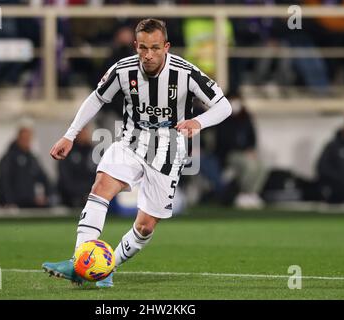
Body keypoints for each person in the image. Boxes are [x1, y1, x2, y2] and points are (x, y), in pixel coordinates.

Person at [42, 18, 232, 288]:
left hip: (169, 151)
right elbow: (97, 97)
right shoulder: (122, 69)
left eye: (155, 48)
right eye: (143, 48)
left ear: (166, 46)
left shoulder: (186, 73)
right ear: (135, 46)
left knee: (145, 227)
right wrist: (70, 135)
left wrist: (198, 122)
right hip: (132, 141)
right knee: (101, 186)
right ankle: (78, 263)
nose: (149, 55)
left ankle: (107, 268)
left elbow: (224, 106)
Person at [214, 92, 267, 208]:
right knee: (249, 166)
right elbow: (223, 141)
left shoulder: (246, 116)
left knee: (262, 166)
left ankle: (252, 193)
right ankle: (243, 193)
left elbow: (252, 137)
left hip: (245, 152)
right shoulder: (223, 118)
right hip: (230, 154)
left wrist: (251, 149)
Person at [0, 126, 51, 208]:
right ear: (18, 138)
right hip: (13, 205)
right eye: (24, 138)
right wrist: (8, 202)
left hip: (30, 203)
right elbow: (4, 183)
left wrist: (48, 196)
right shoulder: (8, 158)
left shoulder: (32, 159)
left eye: (28, 139)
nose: (27, 141)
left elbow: (44, 178)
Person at [57, 125, 97, 207]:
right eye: (81, 130)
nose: (84, 133)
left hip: (92, 196)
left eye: (85, 130)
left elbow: (98, 176)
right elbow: (65, 178)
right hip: (70, 199)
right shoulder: (67, 151)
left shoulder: (94, 151)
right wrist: (80, 194)